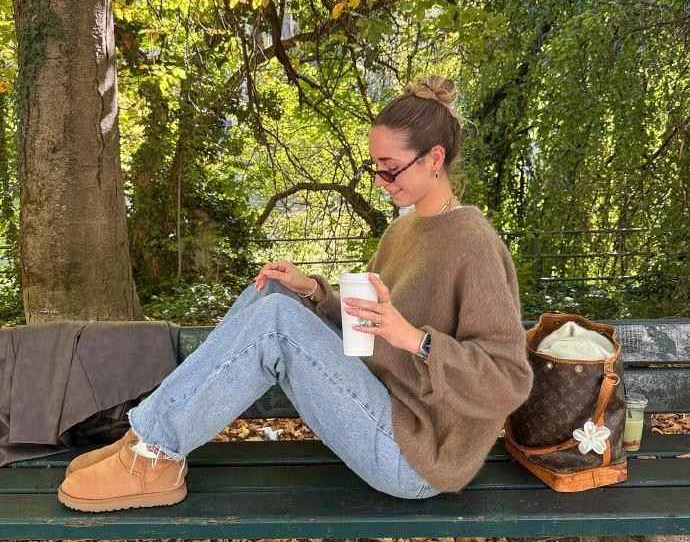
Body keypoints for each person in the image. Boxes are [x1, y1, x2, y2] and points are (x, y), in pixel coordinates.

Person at [57, 75, 533, 512]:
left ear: (434, 159)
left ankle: (153, 453)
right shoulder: (402, 232)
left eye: (390, 169)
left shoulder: (473, 242)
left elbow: (509, 379)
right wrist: (314, 292)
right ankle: (147, 440)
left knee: (276, 325)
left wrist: (417, 340)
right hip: (379, 403)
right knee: (275, 296)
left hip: (418, 455)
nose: (380, 181)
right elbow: (366, 330)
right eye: (374, 168)